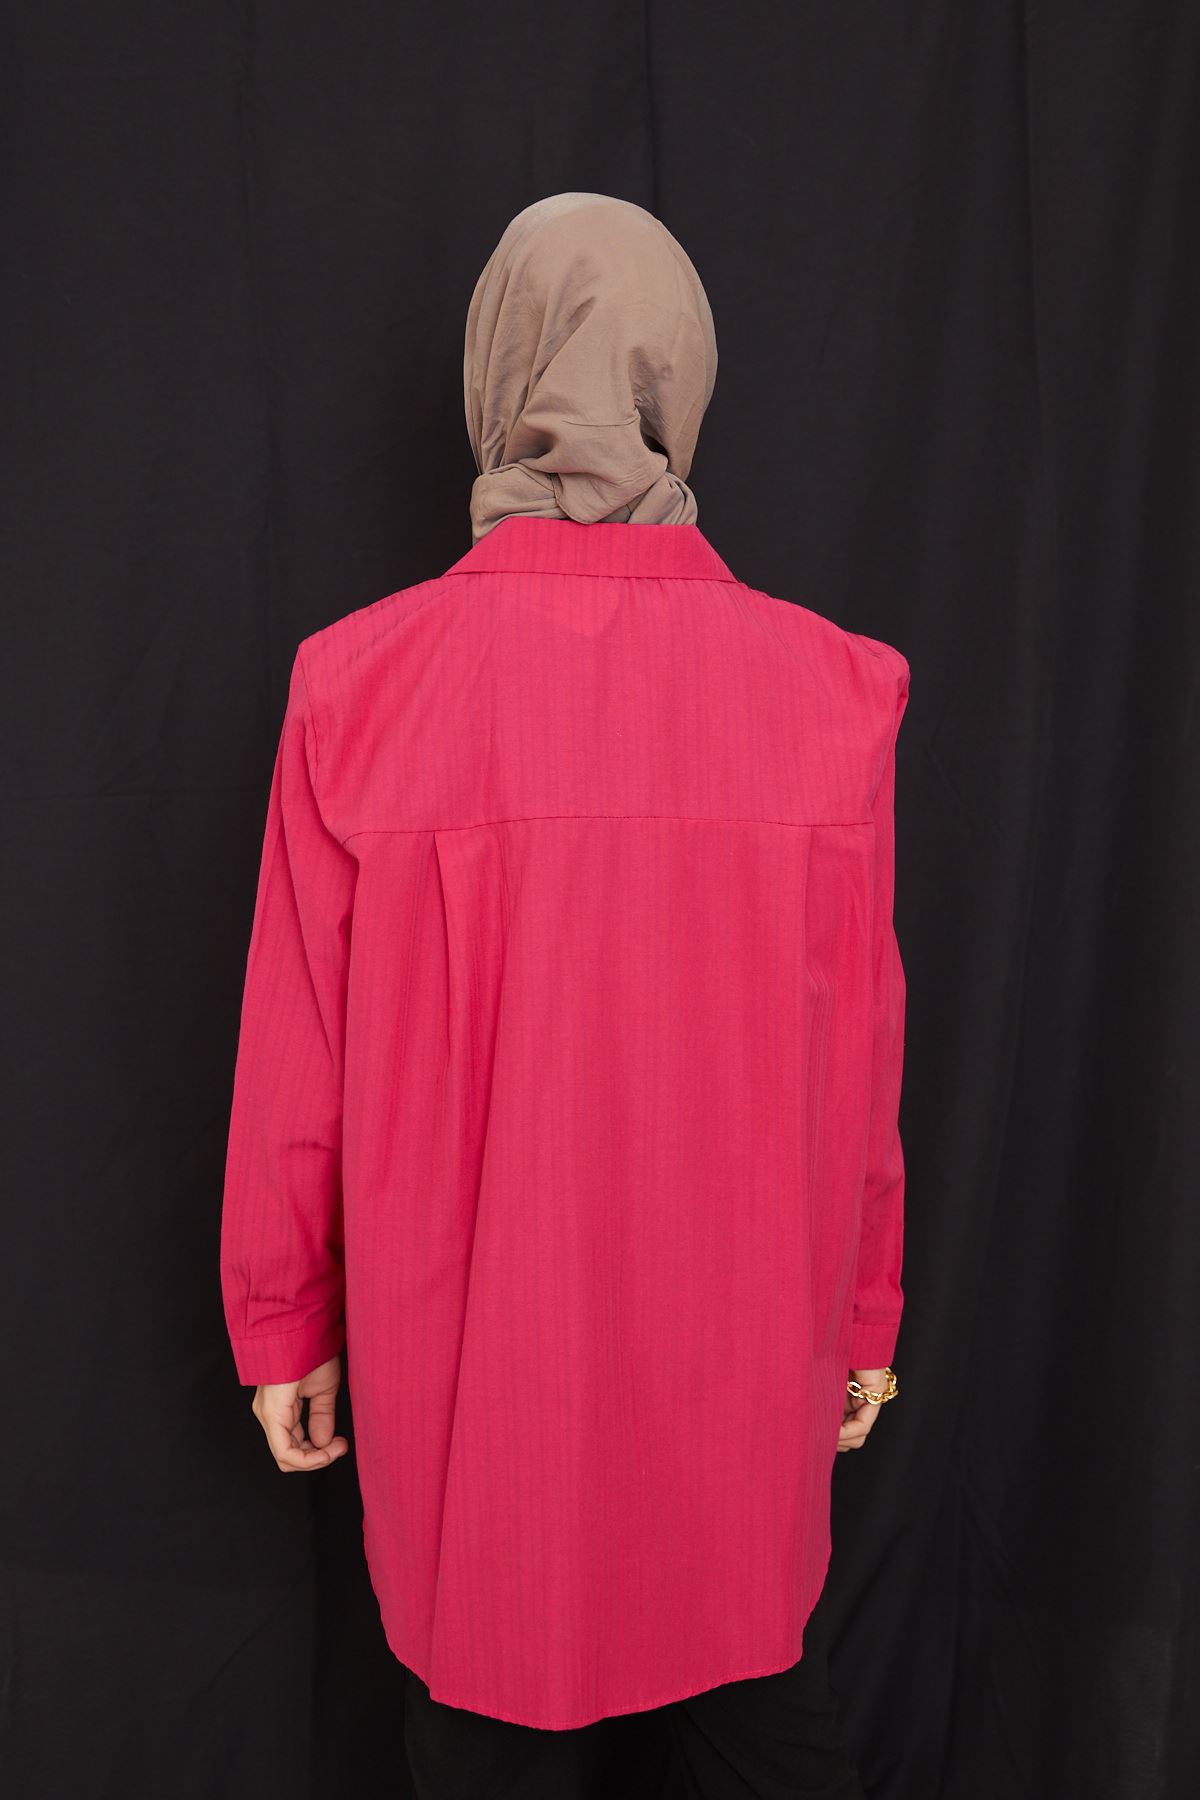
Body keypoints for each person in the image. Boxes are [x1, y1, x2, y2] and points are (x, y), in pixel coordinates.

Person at [219, 192, 909, 1799]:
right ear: (681, 378)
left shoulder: (359, 685)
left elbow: (295, 1050)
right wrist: (865, 1315)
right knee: (759, 1706)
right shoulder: (832, 692)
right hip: (744, 1353)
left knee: (482, 1709)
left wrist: (284, 1318)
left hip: (479, 1378)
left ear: (500, 371)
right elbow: (860, 1061)